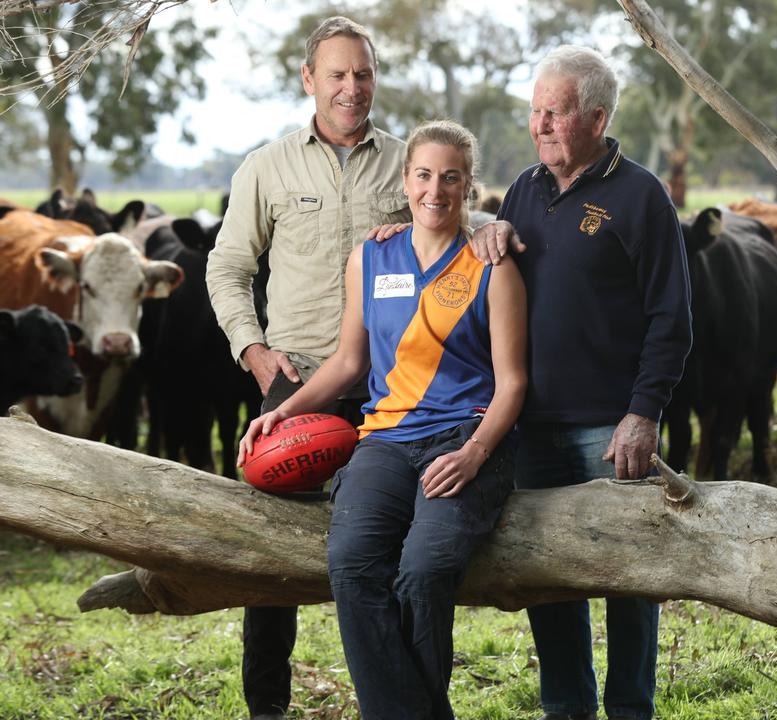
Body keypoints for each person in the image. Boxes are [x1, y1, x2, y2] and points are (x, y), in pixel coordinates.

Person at [240, 119, 527, 719]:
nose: (435, 190)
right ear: (405, 180)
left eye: (451, 178)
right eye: (424, 175)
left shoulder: (492, 267)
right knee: (350, 565)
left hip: (464, 439)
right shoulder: (369, 256)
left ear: (469, 186)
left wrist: (473, 454)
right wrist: (282, 414)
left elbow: (514, 382)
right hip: (386, 441)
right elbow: (349, 362)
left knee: (423, 572)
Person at [475, 45, 692, 720]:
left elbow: (672, 315)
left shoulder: (641, 195)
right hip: (532, 424)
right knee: (550, 579)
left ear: (596, 118)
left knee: (629, 576)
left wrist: (643, 411)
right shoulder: (521, 189)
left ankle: (631, 708)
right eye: (535, 110)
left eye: (556, 112)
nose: (540, 124)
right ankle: (566, 708)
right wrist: (490, 231)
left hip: (610, 426)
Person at [206, 16, 411, 720]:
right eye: (337, 74)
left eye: (362, 73)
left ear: (375, 78)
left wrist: (494, 225)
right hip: (292, 387)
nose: (351, 88)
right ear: (309, 79)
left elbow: (455, 242)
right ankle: (268, 708)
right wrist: (254, 352)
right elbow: (228, 267)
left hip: (389, 387)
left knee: (388, 550)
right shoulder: (266, 166)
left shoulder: (410, 162)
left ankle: (398, 701)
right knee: (269, 564)